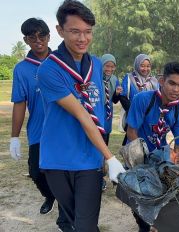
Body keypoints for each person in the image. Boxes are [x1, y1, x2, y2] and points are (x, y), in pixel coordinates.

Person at [37, 1, 125, 231]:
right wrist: (110, 157)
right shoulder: (49, 70)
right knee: (70, 218)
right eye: (75, 31)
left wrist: (102, 154)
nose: (82, 38)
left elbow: (96, 109)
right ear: (60, 30)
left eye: (88, 32)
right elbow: (81, 114)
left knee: (86, 225)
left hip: (88, 159)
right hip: (57, 158)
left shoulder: (95, 64)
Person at [126, 61, 179, 232]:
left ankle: (151, 223)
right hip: (135, 154)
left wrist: (177, 169)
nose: (176, 89)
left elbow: (178, 146)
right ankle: (143, 225)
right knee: (137, 198)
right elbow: (132, 132)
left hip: (158, 158)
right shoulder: (143, 100)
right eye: (172, 83)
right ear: (162, 81)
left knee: (159, 195)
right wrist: (143, 161)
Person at [10, 18, 56, 215]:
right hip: (38, 131)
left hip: (64, 130)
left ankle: (67, 211)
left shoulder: (62, 62)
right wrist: (14, 137)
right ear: (26, 40)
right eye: (32, 37)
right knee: (36, 173)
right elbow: (20, 103)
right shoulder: (22, 69)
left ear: (49, 37)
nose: (38, 40)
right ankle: (49, 195)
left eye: (42, 35)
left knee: (65, 172)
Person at [120, 54, 159, 144]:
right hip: (134, 116)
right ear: (137, 65)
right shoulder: (129, 78)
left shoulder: (153, 80)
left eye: (148, 66)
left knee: (148, 142)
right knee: (133, 141)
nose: (145, 69)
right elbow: (123, 96)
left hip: (149, 118)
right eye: (142, 66)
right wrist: (133, 111)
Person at [100, 54, 122, 191]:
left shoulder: (114, 79)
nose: (109, 69)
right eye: (107, 66)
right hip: (96, 117)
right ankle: (98, 177)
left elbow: (114, 100)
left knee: (104, 148)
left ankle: (102, 176)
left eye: (112, 66)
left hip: (107, 118)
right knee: (96, 149)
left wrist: (118, 94)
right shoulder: (95, 78)